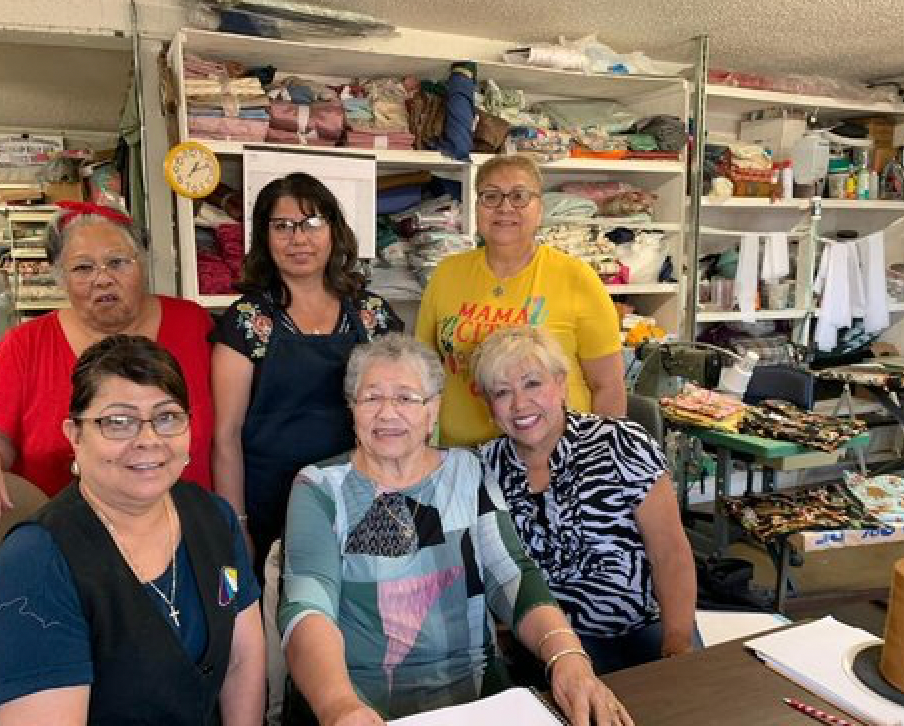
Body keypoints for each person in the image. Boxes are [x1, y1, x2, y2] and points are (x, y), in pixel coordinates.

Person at [278, 334, 632, 726]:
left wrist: (567, 657)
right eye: (371, 397)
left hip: (477, 696)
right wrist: (339, 706)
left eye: (407, 398)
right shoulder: (319, 487)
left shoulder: (468, 471)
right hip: (361, 699)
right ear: (352, 409)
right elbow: (307, 607)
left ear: (434, 410)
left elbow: (512, 575)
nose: (387, 413)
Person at [0, 334, 265, 725]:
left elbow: (242, 659)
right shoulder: (33, 567)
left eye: (167, 417)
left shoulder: (213, 517)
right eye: (118, 422)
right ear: (75, 435)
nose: (148, 440)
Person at [0, 201, 215, 529]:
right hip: (64, 541)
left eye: (117, 262)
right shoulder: (24, 346)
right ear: (60, 278)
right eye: (83, 268)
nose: (103, 279)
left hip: (188, 531)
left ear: (144, 264)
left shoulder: (194, 324)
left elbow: (229, 435)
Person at [472, 326, 697, 674]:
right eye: (503, 392)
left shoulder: (621, 443)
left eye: (533, 384)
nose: (520, 404)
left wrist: (677, 645)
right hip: (555, 642)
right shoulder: (483, 469)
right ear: (490, 405)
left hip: (643, 622)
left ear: (561, 384)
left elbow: (670, 552)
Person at [211, 172, 403, 571]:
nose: (298, 238)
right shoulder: (247, 320)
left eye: (312, 223)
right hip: (273, 506)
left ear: (334, 230)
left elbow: (404, 411)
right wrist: (237, 524)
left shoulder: (371, 314)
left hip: (364, 498)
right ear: (264, 237)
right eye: (282, 226)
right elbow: (226, 436)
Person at [415, 153, 625, 448]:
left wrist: (596, 464)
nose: (504, 207)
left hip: (554, 460)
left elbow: (608, 387)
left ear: (540, 209)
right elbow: (422, 372)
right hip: (463, 459)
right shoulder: (447, 273)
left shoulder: (576, 278)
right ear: (476, 207)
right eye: (490, 197)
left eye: (519, 196)